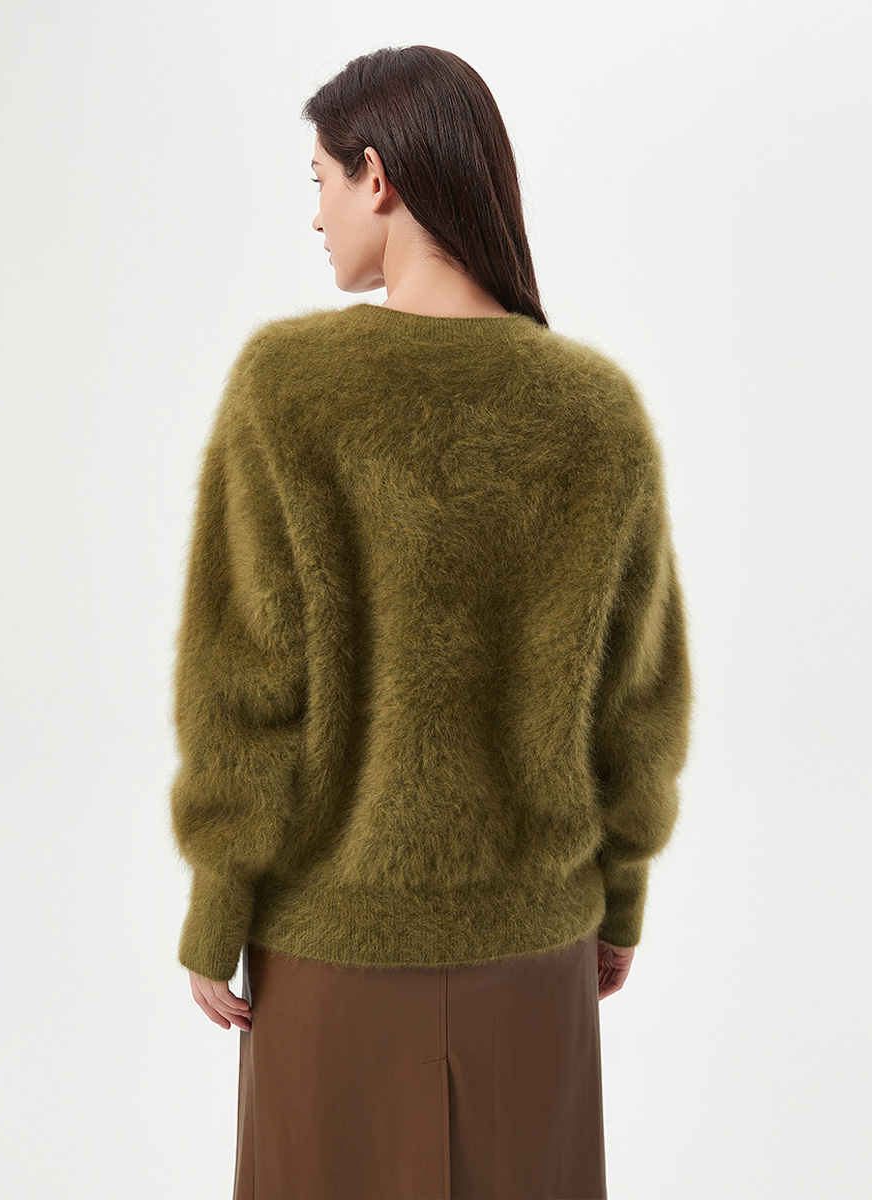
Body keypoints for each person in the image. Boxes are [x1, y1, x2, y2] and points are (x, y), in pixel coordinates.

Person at [168, 44, 693, 1200]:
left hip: (329, 957)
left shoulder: (286, 386)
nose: (315, 215)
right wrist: (620, 902)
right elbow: (637, 706)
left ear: (379, 174)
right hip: (536, 958)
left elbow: (245, 686)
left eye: (319, 180)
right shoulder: (597, 412)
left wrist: (217, 907)